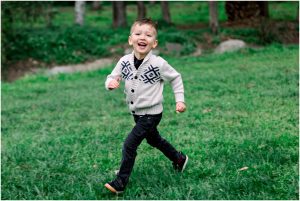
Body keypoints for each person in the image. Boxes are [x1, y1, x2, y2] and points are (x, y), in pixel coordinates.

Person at [104, 18, 188, 194]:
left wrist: (180, 100)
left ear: (154, 43)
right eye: (138, 33)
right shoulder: (124, 61)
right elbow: (112, 76)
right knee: (153, 139)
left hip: (152, 113)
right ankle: (179, 159)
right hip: (137, 113)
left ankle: (120, 182)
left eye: (148, 35)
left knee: (129, 144)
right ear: (130, 39)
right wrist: (111, 83)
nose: (143, 37)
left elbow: (175, 77)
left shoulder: (158, 63)